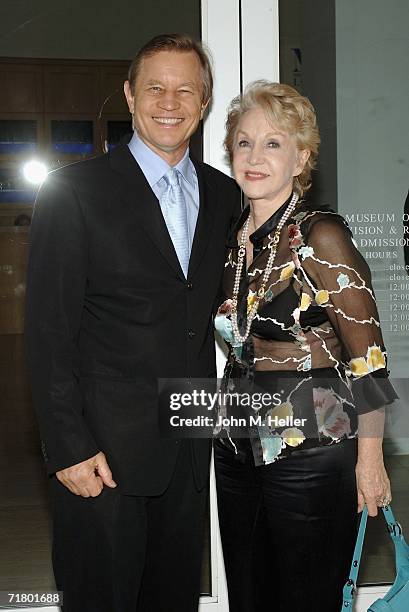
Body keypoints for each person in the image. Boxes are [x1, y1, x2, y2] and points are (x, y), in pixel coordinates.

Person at [25, 34, 240, 612]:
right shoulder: (73, 192)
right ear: (129, 95)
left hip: (188, 454)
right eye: (155, 87)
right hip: (102, 456)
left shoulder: (224, 196)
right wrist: (68, 446)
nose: (169, 101)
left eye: (185, 89)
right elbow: (48, 335)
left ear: (203, 102)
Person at [213, 81, 397, 612]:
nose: (254, 156)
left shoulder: (321, 236)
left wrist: (370, 461)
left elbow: (369, 361)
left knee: (307, 599)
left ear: (302, 158)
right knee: (250, 597)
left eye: (273, 143)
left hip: (312, 454)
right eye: (243, 142)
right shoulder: (233, 238)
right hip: (234, 449)